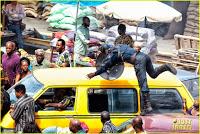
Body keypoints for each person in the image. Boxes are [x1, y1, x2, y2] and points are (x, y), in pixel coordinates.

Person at [87, 42, 177, 115]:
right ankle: (165, 67)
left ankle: (147, 107)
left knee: (142, 83)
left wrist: (94, 74)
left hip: (139, 60)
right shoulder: (119, 45)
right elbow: (124, 55)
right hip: (145, 56)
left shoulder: (113, 55)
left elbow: (105, 67)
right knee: (153, 74)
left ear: (106, 51)